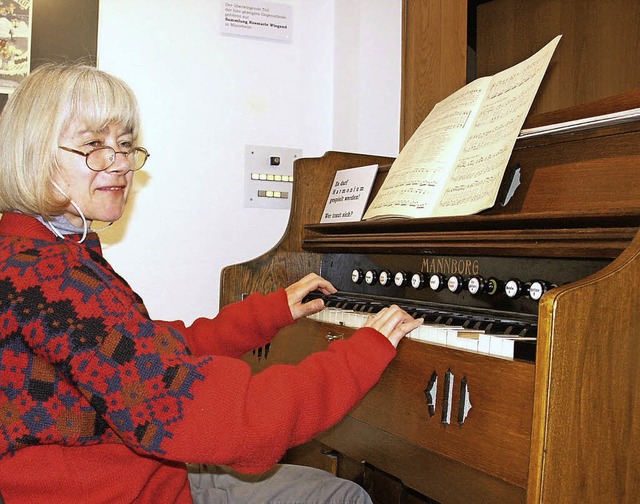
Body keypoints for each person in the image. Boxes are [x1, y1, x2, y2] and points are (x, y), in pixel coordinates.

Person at [0, 63, 423, 504]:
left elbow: (143, 352)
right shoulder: (52, 279)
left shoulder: (33, 253)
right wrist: (361, 354)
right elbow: (230, 421)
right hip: (131, 490)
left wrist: (268, 313)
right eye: (94, 145)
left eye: (125, 145)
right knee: (341, 496)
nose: (121, 164)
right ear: (35, 154)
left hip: (127, 474)